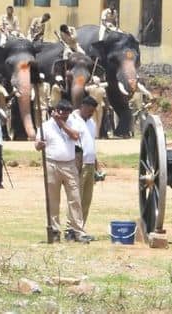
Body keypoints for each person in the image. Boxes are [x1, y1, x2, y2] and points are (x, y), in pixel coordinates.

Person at [34, 99, 93, 243]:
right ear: (56, 111)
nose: (65, 116)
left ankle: (78, 231)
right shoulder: (46, 126)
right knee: (53, 199)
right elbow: (37, 144)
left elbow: (75, 136)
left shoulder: (73, 123)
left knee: (75, 199)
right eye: (62, 114)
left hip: (69, 165)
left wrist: (61, 123)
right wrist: (39, 145)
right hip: (52, 164)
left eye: (67, 114)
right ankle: (54, 231)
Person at [69, 96, 100, 225]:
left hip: (90, 163)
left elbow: (91, 143)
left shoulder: (91, 123)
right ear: (83, 106)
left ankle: (81, 227)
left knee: (87, 199)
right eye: (89, 110)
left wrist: (97, 164)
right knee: (76, 198)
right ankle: (71, 228)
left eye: (93, 111)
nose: (91, 113)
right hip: (79, 163)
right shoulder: (72, 120)